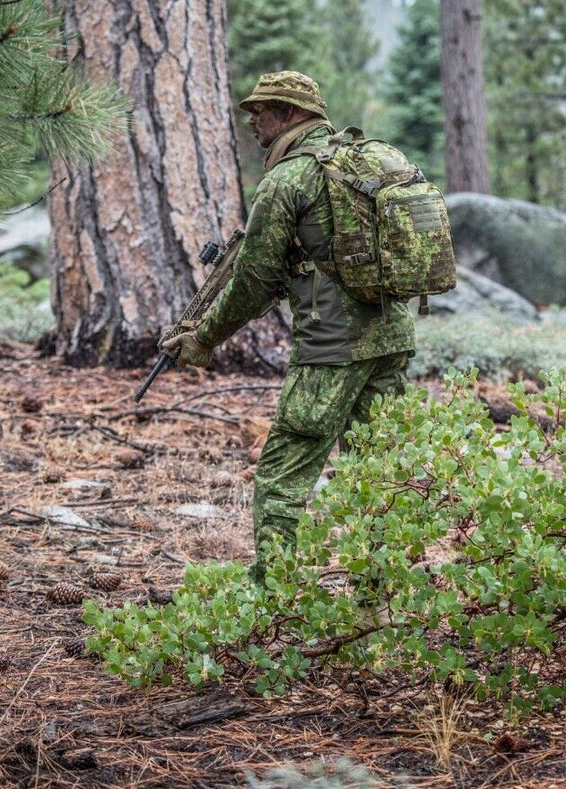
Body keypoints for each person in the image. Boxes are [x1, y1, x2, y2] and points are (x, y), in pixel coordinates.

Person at [160, 71, 414, 581]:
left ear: (292, 114)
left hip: (330, 345)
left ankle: (271, 599)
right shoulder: (362, 160)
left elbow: (253, 279)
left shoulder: (286, 180)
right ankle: (381, 597)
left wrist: (204, 337)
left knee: (282, 473)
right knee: (379, 471)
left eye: (263, 111)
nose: (253, 122)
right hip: (392, 336)